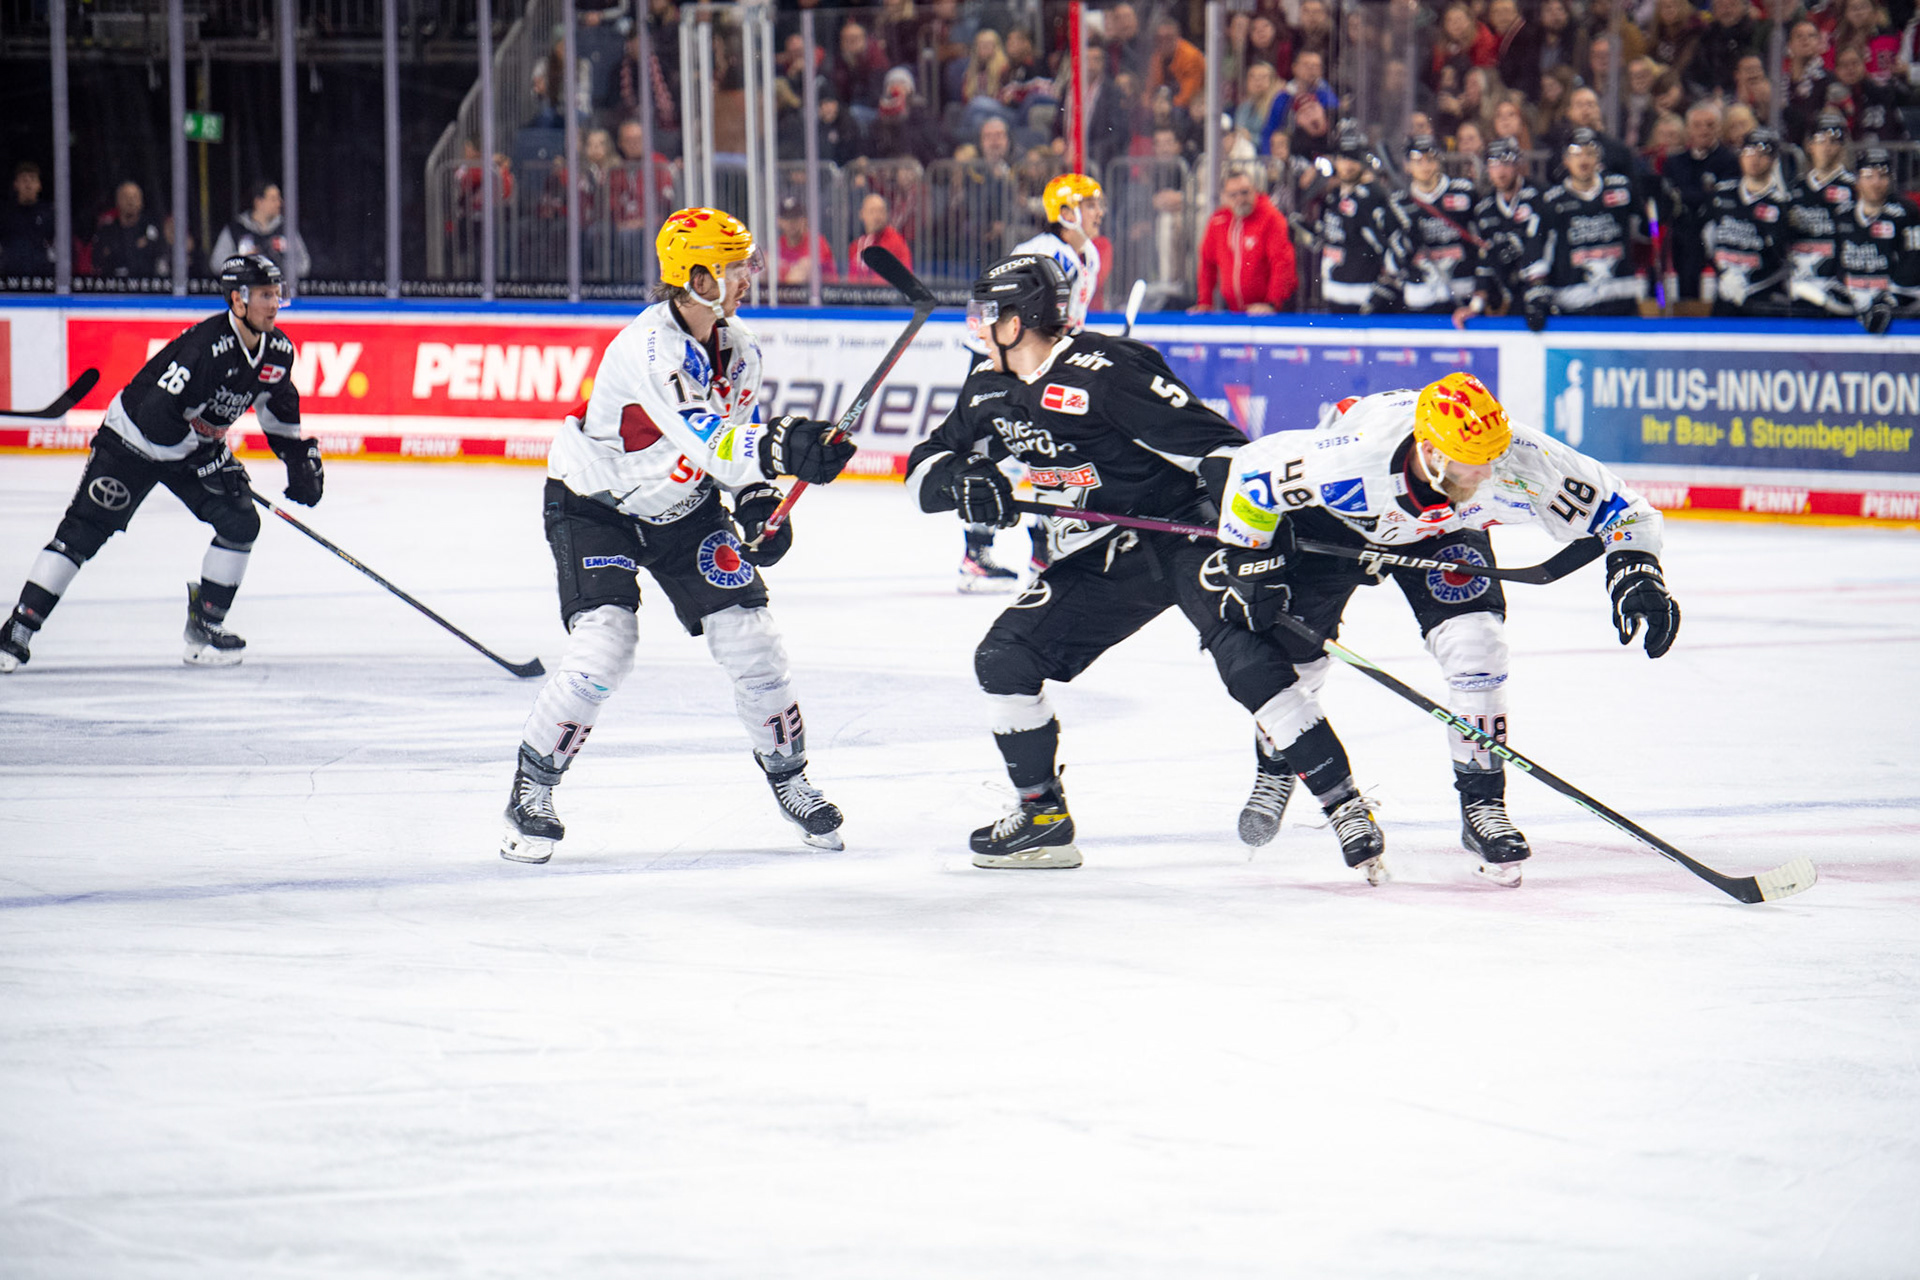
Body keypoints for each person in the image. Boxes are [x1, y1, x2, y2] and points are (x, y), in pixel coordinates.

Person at [1214, 373, 1679, 885]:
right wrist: (1248, 558)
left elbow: (1625, 511)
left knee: (1478, 646)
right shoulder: (1350, 459)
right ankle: (1278, 763)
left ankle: (1483, 807)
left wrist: (1636, 570)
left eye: (1492, 458)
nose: (1487, 472)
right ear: (1430, 452)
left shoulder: (1513, 458)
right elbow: (1251, 475)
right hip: (1333, 525)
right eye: (1471, 462)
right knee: (1296, 660)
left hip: (1444, 530)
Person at [497, 208, 858, 865]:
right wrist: (782, 446)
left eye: (746, 264)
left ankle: (792, 779)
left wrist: (758, 501)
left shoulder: (740, 348)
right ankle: (532, 789)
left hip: (685, 510)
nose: (748, 277)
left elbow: (734, 450)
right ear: (696, 278)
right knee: (605, 646)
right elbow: (711, 439)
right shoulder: (648, 349)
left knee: (753, 640)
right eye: (733, 267)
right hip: (595, 507)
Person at [903, 254, 1249, 870]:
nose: (977, 326)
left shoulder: (1108, 371)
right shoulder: (987, 385)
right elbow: (924, 467)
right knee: (1005, 657)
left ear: (1016, 323)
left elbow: (1222, 449)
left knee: (1257, 659)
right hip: (1096, 559)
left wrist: (1250, 534)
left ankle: (1332, 793)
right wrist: (963, 477)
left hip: (1175, 534)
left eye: (988, 314)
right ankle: (1042, 816)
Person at [0, 255, 321, 674]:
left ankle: (206, 625)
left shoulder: (277, 351)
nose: (275, 304)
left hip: (189, 447)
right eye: (265, 295)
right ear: (237, 300)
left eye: (277, 294)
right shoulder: (205, 348)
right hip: (132, 442)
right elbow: (156, 417)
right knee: (81, 535)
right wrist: (206, 460)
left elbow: (277, 405)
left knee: (240, 522)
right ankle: (18, 629)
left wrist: (297, 457)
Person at [954, 173, 1109, 591]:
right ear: (1065, 212)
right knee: (1000, 451)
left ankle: (1044, 553)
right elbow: (991, 306)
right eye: (1090, 204)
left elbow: (1068, 324)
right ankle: (976, 555)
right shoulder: (1038, 253)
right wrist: (996, 360)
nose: (1099, 211)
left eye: (1098, 203)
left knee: (1053, 452)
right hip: (1002, 360)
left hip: (1040, 363)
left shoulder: (1088, 256)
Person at [1525, 128, 1646, 325]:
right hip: (1574, 309)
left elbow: (1645, 232)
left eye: (1589, 153)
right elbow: (1536, 251)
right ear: (1566, 160)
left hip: (1622, 305)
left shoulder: (1621, 190)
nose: (1583, 160)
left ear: (1598, 158)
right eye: (1576, 154)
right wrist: (1537, 295)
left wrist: (1657, 210)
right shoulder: (1552, 202)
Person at [1702, 128, 1795, 314]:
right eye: (1749, 152)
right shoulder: (1721, 194)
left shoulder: (1783, 204)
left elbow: (1785, 257)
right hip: (1725, 293)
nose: (1755, 159)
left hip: (1763, 298)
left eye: (1763, 154)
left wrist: (1753, 285)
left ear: (1773, 160)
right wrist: (1722, 274)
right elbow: (1706, 238)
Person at [1385, 134, 1480, 315]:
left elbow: (1481, 240)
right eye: (1417, 160)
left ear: (1438, 161)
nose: (1425, 166)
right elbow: (1391, 263)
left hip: (1461, 293)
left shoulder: (1464, 192)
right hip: (1420, 296)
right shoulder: (1398, 203)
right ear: (1407, 165)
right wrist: (1405, 244)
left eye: (1430, 159)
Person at [1454, 136, 1541, 326]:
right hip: (1508, 297)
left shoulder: (1540, 197)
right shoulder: (1484, 209)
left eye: (1506, 163)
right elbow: (1484, 260)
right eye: (1493, 164)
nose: (1500, 171)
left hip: (1541, 295)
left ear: (1518, 164)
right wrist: (1475, 306)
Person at [1308, 127, 1395, 313]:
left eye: (1354, 158)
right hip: (1333, 293)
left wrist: (1384, 286)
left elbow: (1390, 247)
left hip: (1361, 297)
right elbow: (1334, 238)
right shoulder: (1333, 196)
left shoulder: (1372, 197)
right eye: (1343, 158)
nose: (1348, 164)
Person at [1836, 148, 1920, 333]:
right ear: (1857, 179)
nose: (1876, 183)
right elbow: (1836, 262)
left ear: (1891, 179)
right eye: (1869, 176)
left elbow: (1912, 265)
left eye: (1882, 176)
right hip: (1850, 299)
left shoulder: (1905, 212)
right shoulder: (1842, 214)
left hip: (1894, 299)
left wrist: (1890, 299)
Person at [1194, 167, 1296, 315]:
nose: (1240, 199)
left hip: (1268, 311)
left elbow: (1282, 263)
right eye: (1233, 195)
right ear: (1224, 197)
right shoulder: (1218, 221)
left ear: (1254, 190)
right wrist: (1204, 303)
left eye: (1245, 192)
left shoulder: (1271, 218)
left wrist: (1272, 304)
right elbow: (1207, 264)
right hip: (1234, 311)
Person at [1785, 113, 1858, 310]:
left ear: (1842, 147)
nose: (1827, 147)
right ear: (1810, 145)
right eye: (1820, 140)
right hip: (1800, 284)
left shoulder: (1855, 189)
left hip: (1838, 285)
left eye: (1833, 141)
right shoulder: (1795, 190)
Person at [210, 181, 311, 281]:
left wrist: (277, 264)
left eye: (279, 198)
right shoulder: (236, 229)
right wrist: (243, 261)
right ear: (259, 202)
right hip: (245, 288)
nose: (279, 203)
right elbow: (216, 263)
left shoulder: (286, 230)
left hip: (279, 288)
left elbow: (304, 264)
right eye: (273, 199)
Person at [90, 181, 168, 280]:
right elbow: (98, 262)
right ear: (117, 201)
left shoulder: (152, 230)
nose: (130, 201)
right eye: (125, 197)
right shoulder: (106, 232)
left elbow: (160, 260)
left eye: (135, 197)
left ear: (141, 202)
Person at [0, 160, 55, 278]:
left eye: (32, 179)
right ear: (16, 184)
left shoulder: (49, 214)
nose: (28, 184)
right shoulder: (5, 214)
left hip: (41, 279)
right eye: (24, 179)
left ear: (39, 185)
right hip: (10, 278)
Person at [847, 192, 912, 281]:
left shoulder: (897, 243)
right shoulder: (855, 247)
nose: (877, 217)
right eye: (872, 211)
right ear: (862, 214)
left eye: (881, 211)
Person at [775, 195, 837, 285]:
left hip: (825, 291)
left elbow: (807, 268)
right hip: (788, 291)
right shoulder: (778, 245)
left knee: (803, 268)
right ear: (779, 221)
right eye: (786, 218)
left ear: (804, 220)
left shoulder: (817, 242)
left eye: (795, 217)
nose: (791, 222)